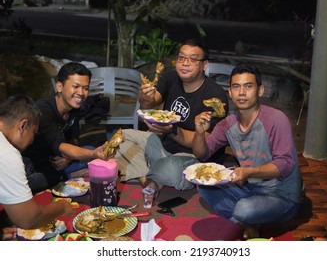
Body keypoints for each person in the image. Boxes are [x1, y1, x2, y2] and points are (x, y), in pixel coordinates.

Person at [192, 63, 303, 240]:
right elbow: (202, 154)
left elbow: (286, 165)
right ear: (230, 92)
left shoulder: (275, 119)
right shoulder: (227, 124)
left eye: (248, 86)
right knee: (203, 187)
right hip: (248, 188)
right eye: (236, 87)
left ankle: (244, 219)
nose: (241, 92)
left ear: (260, 91)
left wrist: (249, 172)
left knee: (244, 209)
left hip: (281, 195)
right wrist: (199, 132)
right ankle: (249, 222)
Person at [115, 38, 229, 192]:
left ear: (204, 65)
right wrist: (144, 97)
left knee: (170, 171)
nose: (185, 63)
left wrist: (172, 131)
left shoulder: (215, 96)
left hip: (191, 156)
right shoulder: (171, 76)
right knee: (120, 138)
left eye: (193, 59)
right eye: (182, 57)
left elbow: (204, 145)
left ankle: (144, 170)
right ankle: (147, 176)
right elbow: (150, 103)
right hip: (162, 144)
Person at [22, 62, 110, 194]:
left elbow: (73, 140)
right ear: (59, 86)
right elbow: (61, 146)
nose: (81, 93)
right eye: (75, 86)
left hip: (57, 160)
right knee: (30, 182)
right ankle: (66, 176)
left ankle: (65, 173)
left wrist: (69, 158)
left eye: (85, 88)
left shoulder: (74, 109)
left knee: (90, 153)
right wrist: (93, 154)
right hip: (34, 163)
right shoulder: (43, 110)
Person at [0, 95, 74, 238]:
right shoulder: (7, 153)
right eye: (34, 132)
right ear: (23, 126)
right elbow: (28, 219)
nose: (33, 140)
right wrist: (62, 207)